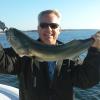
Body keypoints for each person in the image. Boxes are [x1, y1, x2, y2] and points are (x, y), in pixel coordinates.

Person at [0, 9, 100, 100]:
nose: (48, 29)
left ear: (59, 30)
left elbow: (86, 81)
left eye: (53, 26)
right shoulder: (20, 55)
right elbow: (2, 63)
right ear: (38, 29)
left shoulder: (69, 54)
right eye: (43, 25)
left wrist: (95, 51)